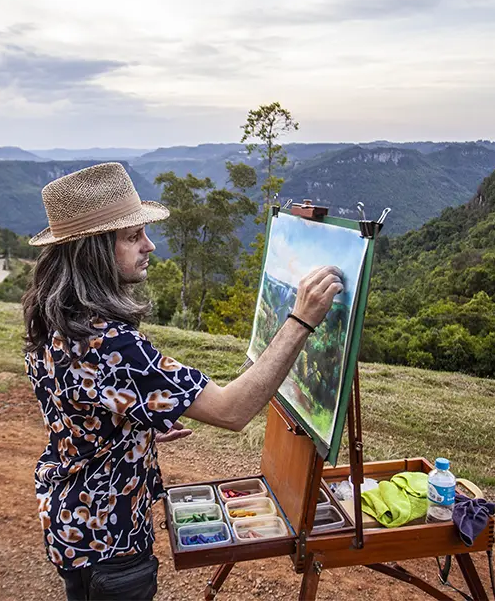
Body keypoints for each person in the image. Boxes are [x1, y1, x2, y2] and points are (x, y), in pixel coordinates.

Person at [22, 162, 343, 600]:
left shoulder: (55, 319)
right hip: (109, 540)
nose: (149, 245)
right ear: (93, 251)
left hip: (73, 522)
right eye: (133, 236)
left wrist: (134, 424)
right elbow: (232, 411)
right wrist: (302, 319)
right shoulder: (108, 344)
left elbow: (77, 408)